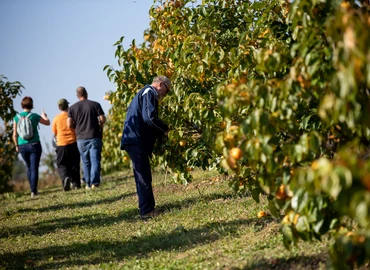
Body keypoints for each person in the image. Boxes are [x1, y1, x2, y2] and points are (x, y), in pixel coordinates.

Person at [120, 76, 170, 219]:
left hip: (134, 139)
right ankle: (147, 211)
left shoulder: (144, 92)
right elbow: (150, 118)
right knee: (143, 176)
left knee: (142, 175)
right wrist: (164, 129)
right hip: (137, 140)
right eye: (166, 91)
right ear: (161, 84)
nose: (164, 95)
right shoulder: (149, 92)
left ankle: (147, 208)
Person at [67, 86, 106, 190]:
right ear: (86, 94)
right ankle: (95, 183)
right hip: (94, 136)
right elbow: (102, 119)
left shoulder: (72, 108)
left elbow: (69, 124)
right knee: (95, 160)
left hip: (81, 138)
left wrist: (76, 127)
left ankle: (88, 184)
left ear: (77, 96)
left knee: (85, 162)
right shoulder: (95, 104)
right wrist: (99, 124)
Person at [12, 96, 50, 198]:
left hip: (22, 145)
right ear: (32, 105)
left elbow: (14, 134)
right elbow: (47, 123)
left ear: (22, 105)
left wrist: (16, 145)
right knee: (34, 168)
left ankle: (31, 189)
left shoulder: (16, 118)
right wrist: (44, 116)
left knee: (29, 168)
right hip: (34, 145)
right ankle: (34, 190)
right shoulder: (34, 116)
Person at [52, 98, 81, 191]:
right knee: (74, 164)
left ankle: (65, 178)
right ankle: (76, 184)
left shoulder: (56, 118)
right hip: (73, 142)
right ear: (67, 106)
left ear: (59, 108)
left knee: (61, 164)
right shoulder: (72, 116)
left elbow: (54, 132)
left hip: (61, 144)